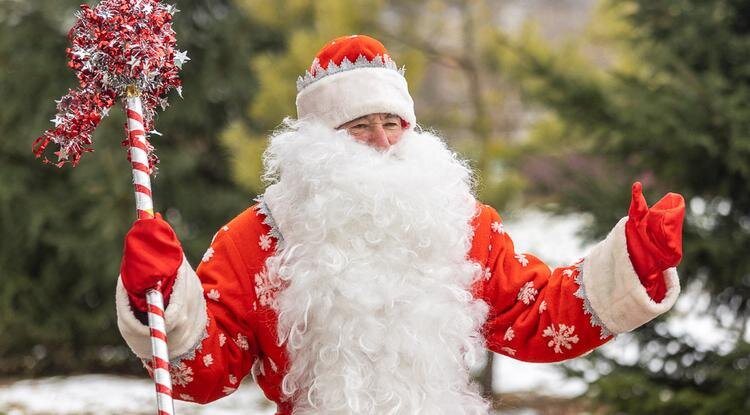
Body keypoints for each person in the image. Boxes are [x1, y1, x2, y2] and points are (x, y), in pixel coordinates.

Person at [116, 35, 685, 415]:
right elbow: (206, 372)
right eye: (360, 125)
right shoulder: (257, 239)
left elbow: (532, 315)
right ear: (317, 141)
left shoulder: (458, 223)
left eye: (394, 122)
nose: (384, 140)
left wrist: (632, 263)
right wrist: (165, 298)